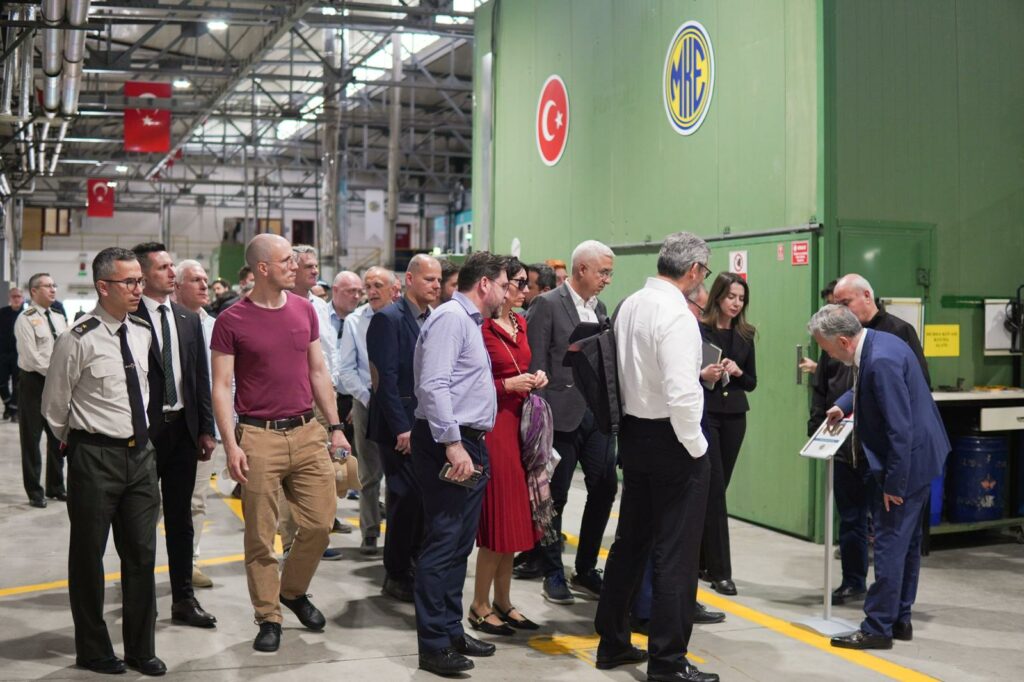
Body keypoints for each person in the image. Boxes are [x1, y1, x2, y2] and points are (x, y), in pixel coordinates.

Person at [210, 234, 352, 653]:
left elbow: (318, 371)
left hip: (307, 431)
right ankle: (268, 616)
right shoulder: (231, 320)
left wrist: (335, 426)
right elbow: (221, 386)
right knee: (260, 535)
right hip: (258, 436)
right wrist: (231, 444)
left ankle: (291, 590)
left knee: (320, 524)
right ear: (263, 269)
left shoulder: (304, 310)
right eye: (287, 260)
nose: (296, 265)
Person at [594, 231, 717, 682]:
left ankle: (612, 642)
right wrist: (697, 447)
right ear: (695, 271)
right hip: (673, 441)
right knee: (676, 554)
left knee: (631, 543)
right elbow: (682, 393)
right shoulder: (677, 315)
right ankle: (667, 662)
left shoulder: (631, 304)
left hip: (634, 434)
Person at [41, 247, 165, 676]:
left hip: (141, 457)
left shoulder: (142, 332)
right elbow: (54, 408)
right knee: (88, 557)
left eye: (139, 280)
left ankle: (140, 650)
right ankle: (93, 650)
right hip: (94, 457)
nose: (138, 288)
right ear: (103, 287)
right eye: (129, 282)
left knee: (142, 556)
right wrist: (81, 445)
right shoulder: (76, 339)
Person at [811, 305, 950, 651]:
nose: (828, 356)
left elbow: (899, 429)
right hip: (922, 456)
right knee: (907, 544)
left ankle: (877, 627)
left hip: (907, 463)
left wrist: (893, 485)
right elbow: (864, 386)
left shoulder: (880, 361)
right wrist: (844, 404)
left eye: (827, 349)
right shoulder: (878, 342)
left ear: (843, 341)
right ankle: (899, 618)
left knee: (889, 544)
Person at [411, 251, 507, 676]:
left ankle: (451, 630)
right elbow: (433, 386)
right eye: (503, 285)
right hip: (450, 442)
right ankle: (433, 645)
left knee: (459, 543)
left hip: (469, 441)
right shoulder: (451, 319)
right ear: (484, 284)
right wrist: (452, 443)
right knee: (443, 541)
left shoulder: (468, 321)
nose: (507, 293)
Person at [520, 240, 617, 605]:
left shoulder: (599, 307)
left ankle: (586, 568)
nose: (607, 279)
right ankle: (552, 572)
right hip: (559, 416)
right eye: (603, 272)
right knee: (555, 496)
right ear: (581, 270)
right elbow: (536, 362)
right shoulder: (547, 304)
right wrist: (541, 416)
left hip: (595, 414)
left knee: (605, 487)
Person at [131, 243, 218, 630]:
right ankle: (140, 599)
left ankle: (183, 598)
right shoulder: (130, 316)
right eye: (163, 267)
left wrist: (205, 429)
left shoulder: (187, 318)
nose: (171, 272)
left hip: (182, 430)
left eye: (171, 267)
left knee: (181, 519)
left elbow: (200, 378)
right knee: (140, 519)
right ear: (144, 274)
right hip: (144, 434)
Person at [469, 258, 547, 636]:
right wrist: (506, 386)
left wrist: (536, 378)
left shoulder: (520, 322)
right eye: (519, 283)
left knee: (516, 519)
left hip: (521, 426)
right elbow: (469, 383)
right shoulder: (480, 328)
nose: (525, 290)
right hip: (495, 427)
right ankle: (479, 604)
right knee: (499, 520)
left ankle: (503, 600)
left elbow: (521, 365)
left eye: (526, 283)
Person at [366, 258, 440, 603]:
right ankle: (395, 573)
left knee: (423, 501)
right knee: (404, 499)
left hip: (426, 424)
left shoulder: (433, 317)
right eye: (429, 279)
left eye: (439, 280)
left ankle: (413, 564)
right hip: (399, 427)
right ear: (409, 279)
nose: (436, 285)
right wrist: (402, 429)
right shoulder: (388, 318)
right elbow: (385, 381)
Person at [697, 273, 757, 596]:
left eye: (741, 298)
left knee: (717, 490)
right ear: (718, 296)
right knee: (714, 490)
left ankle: (702, 560)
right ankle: (721, 572)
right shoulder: (699, 330)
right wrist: (703, 373)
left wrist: (738, 372)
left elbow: (751, 382)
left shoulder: (746, 334)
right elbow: (687, 372)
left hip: (734, 416)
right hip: (707, 415)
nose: (736, 303)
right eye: (731, 296)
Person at [288, 245, 351, 550]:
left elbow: (329, 351)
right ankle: (292, 540)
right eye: (308, 266)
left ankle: (320, 528)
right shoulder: (283, 304)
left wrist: (333, 386)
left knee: (327, 467)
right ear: (292, 268)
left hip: (323, 395)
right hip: (294, 396)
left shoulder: (320, 306)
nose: (315, 270)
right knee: (293, 470)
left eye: (316, 266)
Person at [337, 266, 401, 560]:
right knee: (369, 473)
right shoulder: (355, 321)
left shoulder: (403, 317)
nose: (372, 291)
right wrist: (368, 399)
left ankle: (399, 533)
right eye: (368, 286)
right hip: (366, 404)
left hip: (400, 406)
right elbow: (346, 369)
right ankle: (370, 531)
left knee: (399, 473)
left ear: (394, 289)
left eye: (378, 285)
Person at [174, 259, 220, 589]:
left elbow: (226, 381)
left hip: (203, 426)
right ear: (177, 286)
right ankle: (139, 563)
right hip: (168, 425)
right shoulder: (163, 322)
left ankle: (189, 562)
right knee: (152, 502)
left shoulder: (216, 326)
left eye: (205, 279)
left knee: (196, 500)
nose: (204, 285)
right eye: (195, 280)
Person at [15, 274, 67, 508]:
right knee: (32, 440)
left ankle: (56, 486)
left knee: (57, 437)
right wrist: (58, 373)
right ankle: (35, 491)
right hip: (34, 384)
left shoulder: (58, 317)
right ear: (34, 291)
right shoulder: (25, 319)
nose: (53, 289)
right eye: (47, 286)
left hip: (57, 385)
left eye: (54, 285)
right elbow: (31, 357)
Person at [832, 274, 930, 385]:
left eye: (845, 303)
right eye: (837, 306)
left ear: (867, 296)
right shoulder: (839, 333)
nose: (841, 311)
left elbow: (920, 380)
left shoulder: (899, 330)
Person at [329, 271, 364, 505]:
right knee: (327, 456)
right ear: (335, 290)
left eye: (359, 292)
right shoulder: (320, 316)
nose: (357, 296)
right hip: (326, 400)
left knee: (348, 455)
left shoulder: (363, 320)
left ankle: (344, 493)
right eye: (351, 291)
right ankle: (328, 504)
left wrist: (357, 400)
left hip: (351, 400)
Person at [0, 286, 24, 420]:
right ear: (9, 298)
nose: (16, 299)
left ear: (22, 298)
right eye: (13, 296)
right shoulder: (2, 313)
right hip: (2, 354)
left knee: (17, 384)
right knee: (1, 382)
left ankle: (14, 410)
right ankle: (8, 405)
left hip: (19, 354)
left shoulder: (26, 315)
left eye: (18, 296)